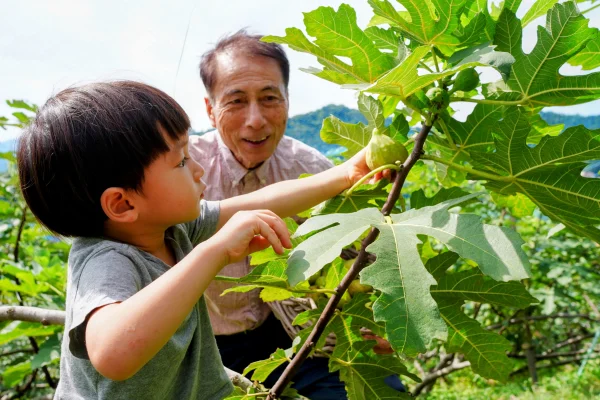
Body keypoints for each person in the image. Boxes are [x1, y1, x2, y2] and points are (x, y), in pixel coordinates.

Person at [16, 81, 373, 399]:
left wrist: (345, 174)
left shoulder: (171, 229)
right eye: (181, 161)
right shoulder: (107, 261)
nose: (198, 168)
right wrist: (214, 252)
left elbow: (261, 200)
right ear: (123, 204)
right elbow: (113, 354)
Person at [189, 31, 347, 398]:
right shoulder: (183, 171)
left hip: (292, 337)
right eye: (236, 101)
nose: (256, 120)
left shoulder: (313, 171)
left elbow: (356, 254)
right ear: (210, 109)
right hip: (201, 344)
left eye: (269, 98)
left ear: (287, 101)